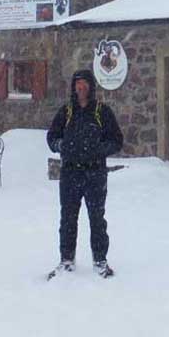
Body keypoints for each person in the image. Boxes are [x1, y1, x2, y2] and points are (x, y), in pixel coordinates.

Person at [46, 69, 123, 279]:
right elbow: (51, 137)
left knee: (97, 218)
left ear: (91, 86)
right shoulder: (66, 112)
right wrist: (60, 145)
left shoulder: (101, 112)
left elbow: (117, 140)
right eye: (77, 83)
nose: (81, 87)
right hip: (70, 173)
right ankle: (66, 260)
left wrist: (99, 150)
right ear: (73, 86)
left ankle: (100, 260)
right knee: (68, 218)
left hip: (95, 173)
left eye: (84, 83)